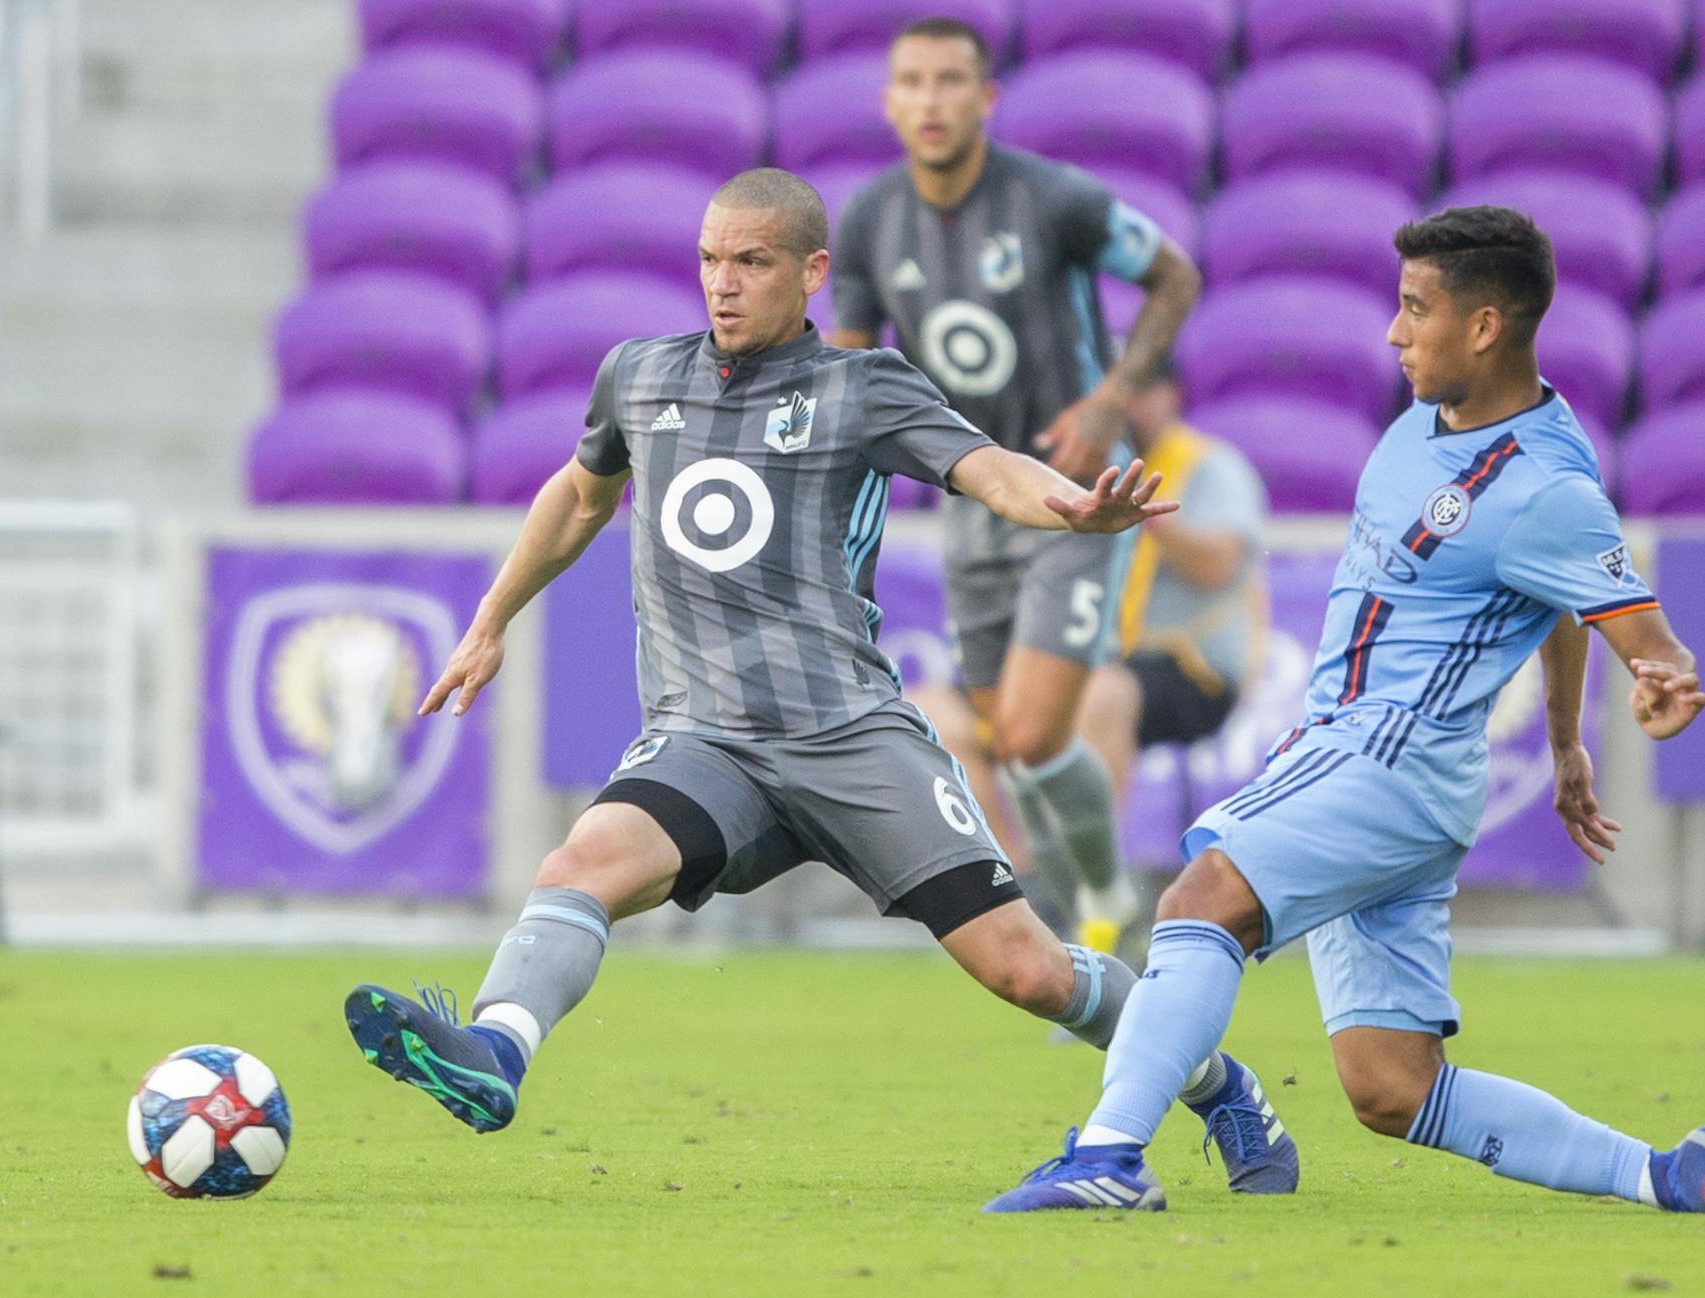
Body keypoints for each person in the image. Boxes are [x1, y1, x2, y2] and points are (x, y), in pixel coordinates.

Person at [341, 169, 1295, 1195]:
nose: (723, 283)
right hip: (707, 741)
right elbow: (578, 497)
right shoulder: (639, 376)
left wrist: (1070, 508)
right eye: (710, 258)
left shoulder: (862, 387)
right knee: (582, 861)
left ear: (813, 272)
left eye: (751, 262)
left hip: (850, 736)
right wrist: (488, 623)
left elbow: (989, 468)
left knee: (1028, 968)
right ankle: (496, 1048)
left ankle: (1216, 1078)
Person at [985, 207, 1705, 1215]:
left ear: (1485, 326)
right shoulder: (1426, 426)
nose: (1393, 333)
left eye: (1415, 308)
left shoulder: (1545, 482)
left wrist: (1663, 674)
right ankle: (1668, 1173)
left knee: (1197, 901)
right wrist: (1566, 738)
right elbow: (1558, 595)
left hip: (1385, 755)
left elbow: (1636, 625)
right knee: (1391, 1086)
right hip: (1403, 780)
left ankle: (1108, 1155)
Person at [830, 18, 1204, 956]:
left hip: (1074, 502)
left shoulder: (1053, 198)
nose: (930, 99)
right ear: (888, 102)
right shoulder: (873, 217)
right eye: (911, 81)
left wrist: (1114, 398)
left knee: (1034, 734)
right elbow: (845, 357)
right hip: (972, 503)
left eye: (950, 80)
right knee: (1006, 734)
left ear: (985, 98)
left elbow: (1174, 275)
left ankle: (1103, 892)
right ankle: (1106, 897)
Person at [911, 363, 1267, 923]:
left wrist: (1127, 514)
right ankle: (1024, 882)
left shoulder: (1210, 466)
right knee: (932, 715)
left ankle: (1098, 884)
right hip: (1072, 647)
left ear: (1173, 393)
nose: (1129, 403)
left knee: (1100, 692)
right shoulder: (1062, 466)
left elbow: (1218, 566)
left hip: (1183, 665)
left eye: (1143, 388)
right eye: (1116, 388)